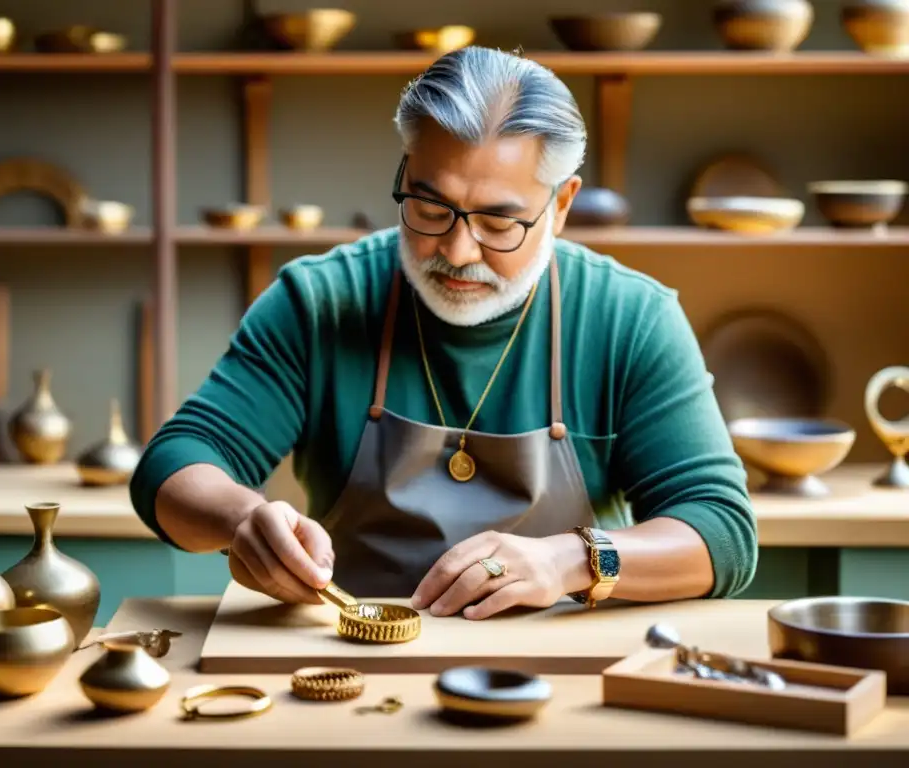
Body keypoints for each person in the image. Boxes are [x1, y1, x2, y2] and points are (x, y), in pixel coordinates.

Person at [129, 46, 758, 620]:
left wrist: (569, 560)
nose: (457, 251)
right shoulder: (319, 301)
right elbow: (172, 466)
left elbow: (720, 532)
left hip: (567, 656)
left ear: (561, 206)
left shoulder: (630, 318)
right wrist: (244, 519)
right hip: (354, 650)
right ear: (407, 171)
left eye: (498, 222)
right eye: (431, 209)